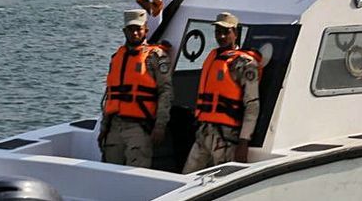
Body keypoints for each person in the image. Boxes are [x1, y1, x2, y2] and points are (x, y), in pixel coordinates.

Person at [183, 12, 261, 173]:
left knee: (221, 179)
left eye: (226, 32)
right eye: (218, 32)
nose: (222, 36)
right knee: (187, 175)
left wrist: (243, 142)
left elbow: (252, 105)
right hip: (204, 130)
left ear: (235, 33)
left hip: (227, 136)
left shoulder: (244, 63)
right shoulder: (213, 57)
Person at [99, 9, 173, 168]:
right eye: (131, 29)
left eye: (138, 29)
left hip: (139, 127)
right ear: (125, 31)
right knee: (109, 171)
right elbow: (109, 96)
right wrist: (104, 128)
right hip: (115, 126)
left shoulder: (155, 57)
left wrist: (160, 126)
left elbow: (165, 93)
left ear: (145, 29)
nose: (134, 33)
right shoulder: (116, 57)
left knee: (136, 172)